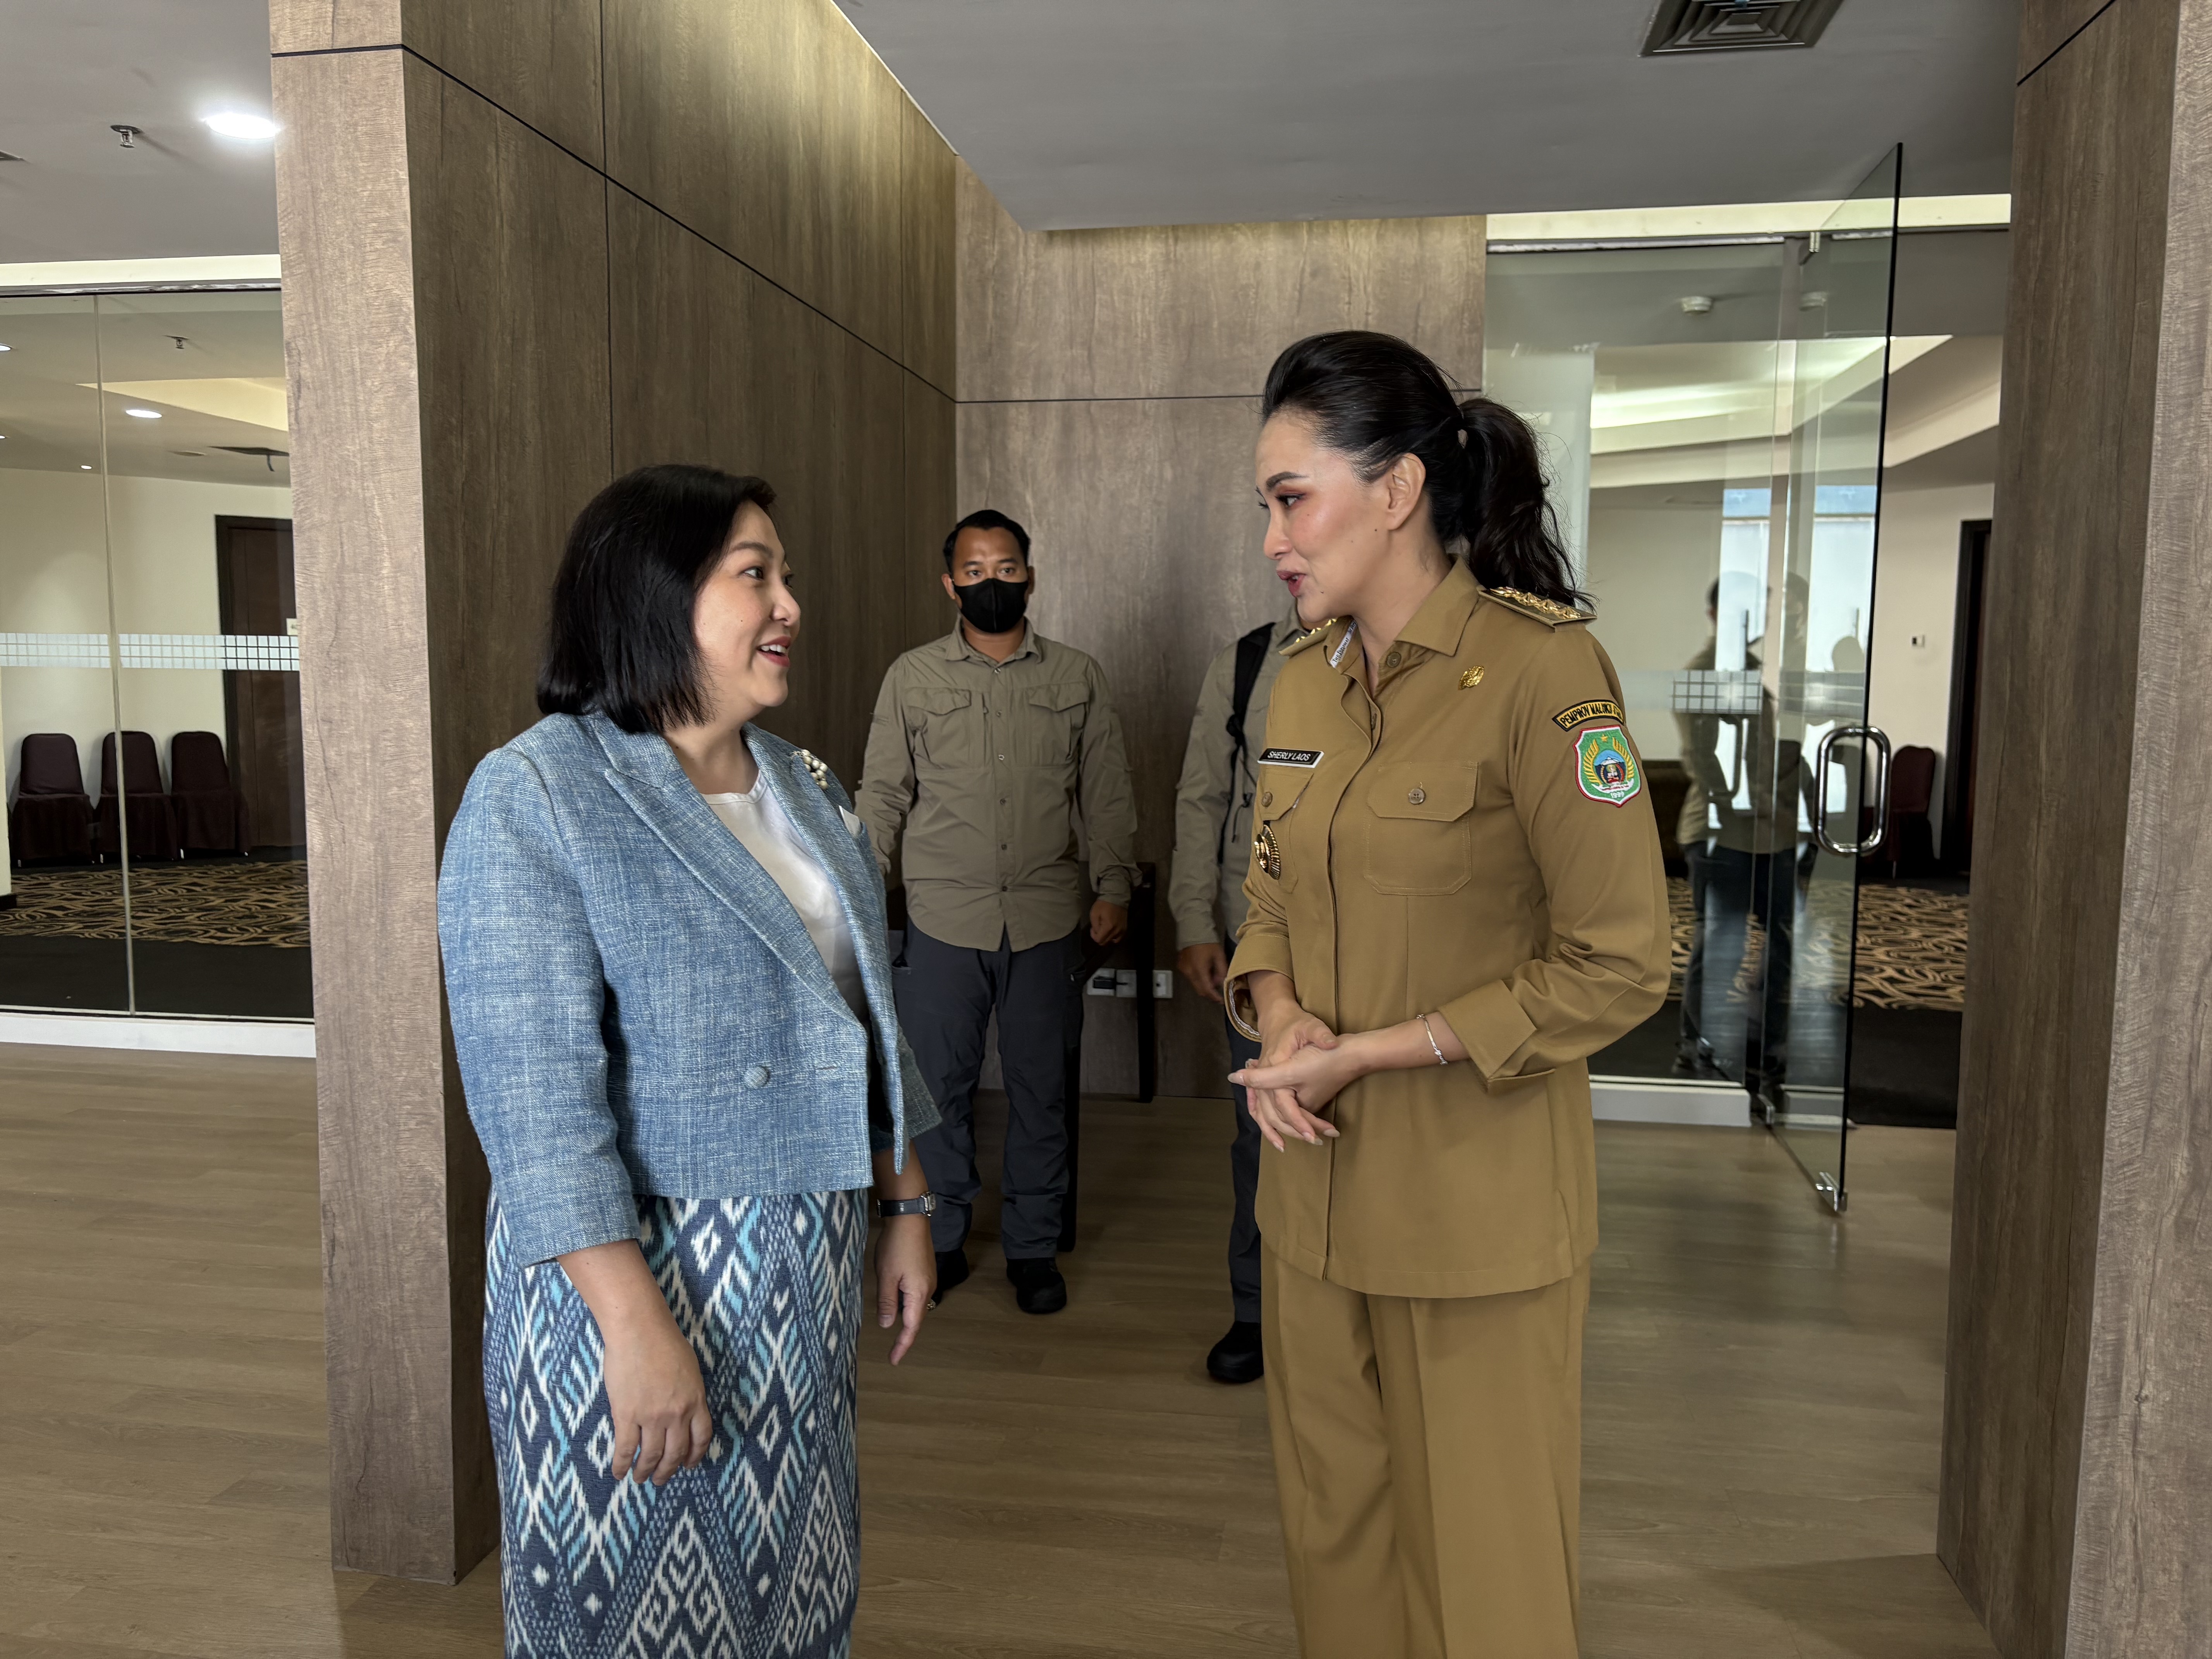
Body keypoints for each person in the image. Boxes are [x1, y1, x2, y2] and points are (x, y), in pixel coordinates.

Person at [438, 464, 940, 1659]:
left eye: (785, 575)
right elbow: (536, 1108)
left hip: (802, 1270)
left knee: (792, 1583)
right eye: (754, 574)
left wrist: (906, 1198)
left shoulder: (804, 784)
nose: (790, 605)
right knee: (624, 1601)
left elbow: (859, 1013)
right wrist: (635, 1327)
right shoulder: (538, 792)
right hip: (636, 1278)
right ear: (654, 595)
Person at [1224, 332, 1670, 1656]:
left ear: (1400, 489)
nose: (1271, 539)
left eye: (1291, 498)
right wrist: (1280, 1011)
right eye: (1266, 504)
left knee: (1488, 1583)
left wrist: (1377, 1051)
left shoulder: (1542, 672)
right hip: (1311, 1210)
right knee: (1337, 1551)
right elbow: (1268, 894)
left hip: (1475, 1222)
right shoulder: (1298, 679)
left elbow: (1620, 958)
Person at [857, 508, 1137, 1315]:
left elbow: (1106, 789)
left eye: (1006, 569)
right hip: (944, 918)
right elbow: (883, 794)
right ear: (951, 585)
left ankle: (1033, 1247)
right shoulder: (913, 677)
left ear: (1030, 577)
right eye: (975, 572)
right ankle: (940, 1240)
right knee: (937, 1093)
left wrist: (1113, 886)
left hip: (1047, 917)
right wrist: (861, 894)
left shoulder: (1077, 676)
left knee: (1041, 1091)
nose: (992, 584)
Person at [1168, 605, 1303, 1384]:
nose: (1281, 549)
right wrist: (1195, 922)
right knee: (1263, 1132)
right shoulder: (1250, 662)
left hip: (1377, 944)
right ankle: (1255, 1308)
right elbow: (1202, 798)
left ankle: (1366, 1312)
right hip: (1258, 938)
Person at [1676, 577, 1806, 1100]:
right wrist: (1757, 801)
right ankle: (1699, 1046)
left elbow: (1771, 752)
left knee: (1781, 943)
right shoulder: (1702, 674)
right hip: (1721, 833)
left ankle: (1763, 1047)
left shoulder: (1754, 673)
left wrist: (1787, 800)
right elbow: (1703, 759)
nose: (1752, 622)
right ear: (1713, 615)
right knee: (1722, 944)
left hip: (1771, 835)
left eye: (1757, 612)